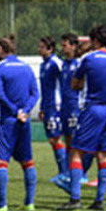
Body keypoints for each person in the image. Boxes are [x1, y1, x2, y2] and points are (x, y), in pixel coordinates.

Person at [57, 25, 106, 211]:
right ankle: (99, 200)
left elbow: (75, 83)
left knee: (77, 151)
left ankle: (75, 198)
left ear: (96, 41)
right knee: (103, 154)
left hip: (93, 108)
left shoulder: (89, 58)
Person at [0, 36, 39, 211]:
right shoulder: (27, 68)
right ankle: (29, 203)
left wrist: (15, 110)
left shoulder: (0, 68)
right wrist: (25, 111)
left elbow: (0, 94)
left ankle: (2, 204)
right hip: (24, 120)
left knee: (1, 161)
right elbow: (35, 93)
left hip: (6, 120)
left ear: (1, 49)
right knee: (27, 161)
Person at [37, 36, 68, 180]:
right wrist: (42, 107)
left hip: (57, 105)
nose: (39, 50)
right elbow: (45, 88)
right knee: (52, 139)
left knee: (56, 138)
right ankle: (63, 171)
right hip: (48, 106)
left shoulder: (56, 63)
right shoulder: (43, 65)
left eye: (42, 47)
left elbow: (66, 79)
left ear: (50, 49)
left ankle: (65, 172)